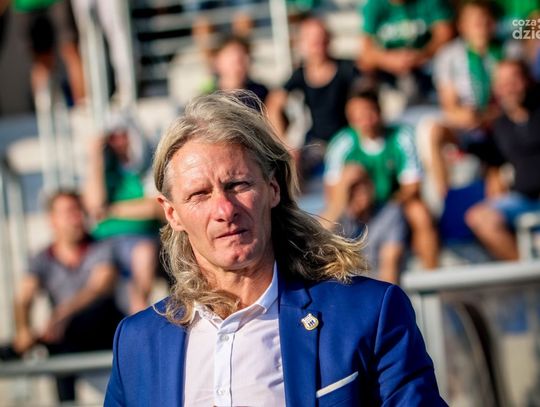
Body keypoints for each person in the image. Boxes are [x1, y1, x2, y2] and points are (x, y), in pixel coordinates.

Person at [104, 91, 446, 406]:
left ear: (273, 189)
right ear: (171, 213)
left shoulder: (368, 312)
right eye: (199, 194)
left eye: (238, 184)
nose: (224, 210)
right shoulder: (136, 343)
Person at [0, 191, 123, 402]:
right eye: (68, 212)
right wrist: (23, 329)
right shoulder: (41, 258)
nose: (77, 218)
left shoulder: (102, 247)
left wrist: (62, 315)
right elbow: (23, 297)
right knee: (56, 341)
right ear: (52, 220)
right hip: (65, 339)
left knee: (66, 331)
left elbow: (100, 288)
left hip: (104, 332)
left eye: (79, 210)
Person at [324, 88, 439, 270]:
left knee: (420, 214)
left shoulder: (401, 136)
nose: (364, 119)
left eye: (368, 112)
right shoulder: (342, 143)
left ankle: (431, 272)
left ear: (379, 111)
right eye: (357, 114)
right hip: (353, 208)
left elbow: (412, 187)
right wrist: (355, 202)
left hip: (394, 203)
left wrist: (386, 206)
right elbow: (333, 192)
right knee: (332, 220)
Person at [83, 115, 162, 314]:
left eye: (122, 135)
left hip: (142, 238)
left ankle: (138, 312)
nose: (118, 142)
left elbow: (154, 207)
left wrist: (111, 210)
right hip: (104, 241)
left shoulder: (148, 166)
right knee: (102, 273)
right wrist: (96, 159)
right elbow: (94, 205)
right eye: (112, 138)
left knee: (143, 255)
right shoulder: (105, 171)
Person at [266, 16, 360, 179]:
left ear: (328, 39)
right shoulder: (300, 75)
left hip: (348, 138)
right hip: (317, 143)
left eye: (320, 37)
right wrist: (285, 143)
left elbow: (365, 99)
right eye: (311, 39)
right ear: (302, 44)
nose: (317, 43)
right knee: (289, 165)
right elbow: (273, 105)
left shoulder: (347, 69)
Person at [466, 60, 540, 261]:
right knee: (480, 218)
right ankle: (526, 270)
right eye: (502, 83)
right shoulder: (500, 126)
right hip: (523, 199)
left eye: (514, 80)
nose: (509, 88)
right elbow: (492, 161)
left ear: (527, 80)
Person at [428, 0, 502, 198]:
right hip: (467, 123)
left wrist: (487, 116)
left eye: (485, 20)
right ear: (462, 26)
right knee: (434, 131)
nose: (481, 26)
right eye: (476, 21)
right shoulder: (449, 56)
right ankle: (446, 196)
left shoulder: (506, 51)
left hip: (499, 122)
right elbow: (450, 106)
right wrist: (470, 116)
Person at [358, 0, 453, 103]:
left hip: (427, 65)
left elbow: (445, 35)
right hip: (389, 71)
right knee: (364, 69)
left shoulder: (430, 2)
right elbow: (366, 52)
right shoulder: (374, 5)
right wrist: (388, 59)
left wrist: (421, 55)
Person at [333, 164, 407, 284]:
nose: (361, 190)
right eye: (353, 187)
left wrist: (385, 295)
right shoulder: (339, 217)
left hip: (377, 286)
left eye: (364, 182)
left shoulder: (389, 212)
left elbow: (390, 264)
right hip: (346, 287)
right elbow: (315, 242)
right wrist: (338, 204)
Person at [11, 0, 85, 105]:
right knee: (40, 63)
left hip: (57, 2)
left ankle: (82, 105)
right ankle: (45, 110)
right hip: (25, 5)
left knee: (70, 51)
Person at [201, 35, 268, 104]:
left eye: (242, 57)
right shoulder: (208, 100)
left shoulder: (261, 94)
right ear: (217, 61)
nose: (238, 64)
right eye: (231, 57)